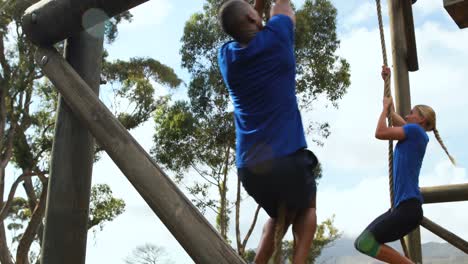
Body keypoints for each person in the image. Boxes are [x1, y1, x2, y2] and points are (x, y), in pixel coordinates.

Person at [218, 0, 318, 263]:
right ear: (253, 19)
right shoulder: (278, 38)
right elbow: (283, 5)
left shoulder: (227, 57)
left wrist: (254, 10)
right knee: (307, 207)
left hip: (250, 170)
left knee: (277, 216)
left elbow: (246, 23)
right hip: (288, 161)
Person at [354, 66, 456, 263]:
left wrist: (384, 108)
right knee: (363, 242)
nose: (407, 116)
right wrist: (387, 81)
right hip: (404, 208)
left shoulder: (416, 133)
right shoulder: (414, 134)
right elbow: (393, 115)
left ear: (422, 119)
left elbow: (381, 132)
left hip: (408, 208)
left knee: (365, 241)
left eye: (411, 113)